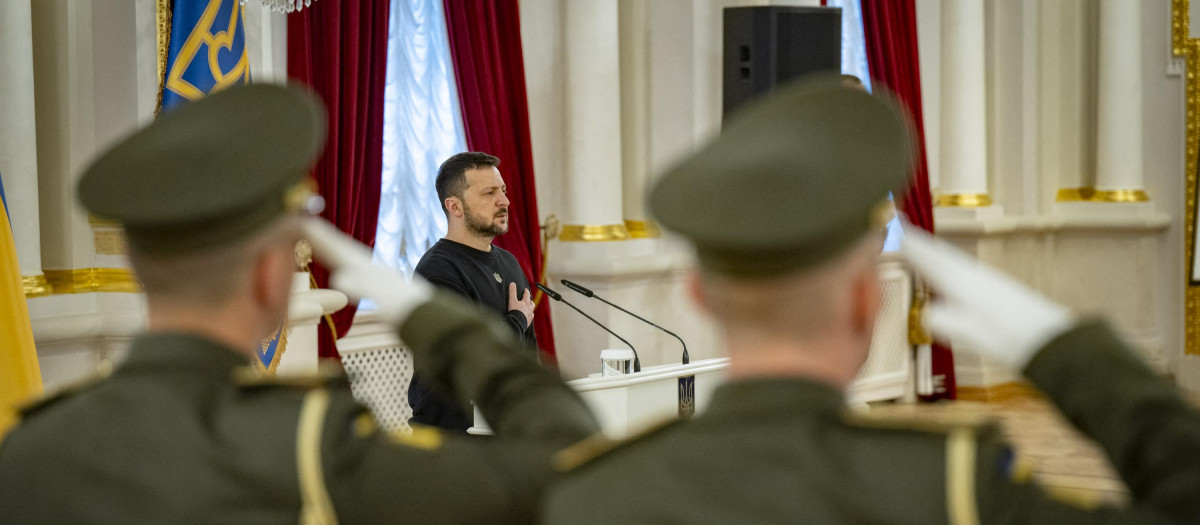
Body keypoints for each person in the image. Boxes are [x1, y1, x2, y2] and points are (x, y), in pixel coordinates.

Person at [542, 75, 1200, 523]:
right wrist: (1072, 353)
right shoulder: (956, 490)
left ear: (699, 295)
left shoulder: (592, 497)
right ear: (867, 299)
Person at [0, 84, 599, 524]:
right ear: (270, 276)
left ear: (137, 267)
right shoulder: (320, 447)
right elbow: (561, 452)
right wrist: (430, 318)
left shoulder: (30, 451)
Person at [409, 151, 538, 432]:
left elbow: (526, 353)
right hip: (454, 436)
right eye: (489, 193)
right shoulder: (438, 269)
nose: (504, 201)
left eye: (503, 190)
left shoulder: (509, 262)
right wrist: (517, 320)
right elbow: (465, 357)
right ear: (454, 206)